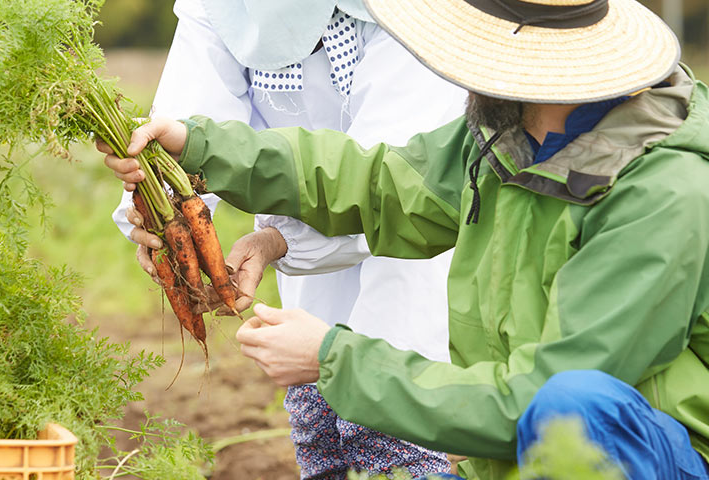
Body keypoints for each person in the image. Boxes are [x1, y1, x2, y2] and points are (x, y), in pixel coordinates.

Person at [102, 0, 709, 478]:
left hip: (637, 457)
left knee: (573, 407)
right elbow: (380, 181)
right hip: (520, 456)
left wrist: (335, 359)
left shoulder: (664, 192)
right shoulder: (511, 138)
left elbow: (538, 397)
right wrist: (200, 145)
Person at [111, 0, 465, 477]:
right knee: (321, 413)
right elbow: (186, 120)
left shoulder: (413, 13)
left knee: (397, 413)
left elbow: (395, 185)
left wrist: (278, 240)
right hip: (308, 243)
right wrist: (158, 217)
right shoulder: (221, 9)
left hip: (420, 252)